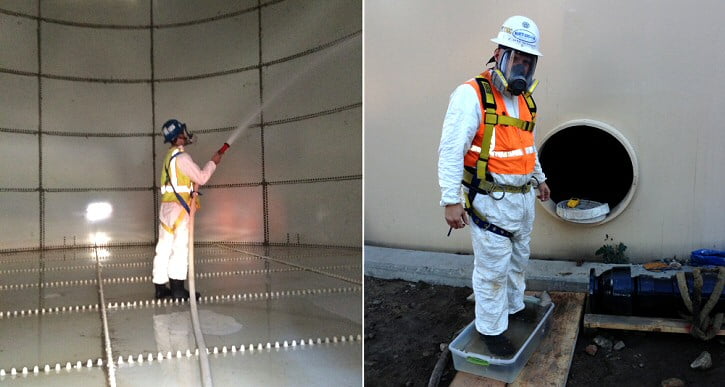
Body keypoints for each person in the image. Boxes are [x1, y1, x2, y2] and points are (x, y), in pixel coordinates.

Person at [437, 15, 551, 357]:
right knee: (492, 273)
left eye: (527, 61)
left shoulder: (525, 101)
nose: (522, 67)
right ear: (499, 54)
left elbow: (526, 145)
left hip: (522, 200)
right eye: (516, 58)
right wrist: (449, 199)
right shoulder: (470, 95)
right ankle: (491, 332)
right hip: (491, 202)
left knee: (518, 263)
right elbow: (450, 149)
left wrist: (540, 178)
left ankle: (513, 310)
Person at [152, 119, 223, 300]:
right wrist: (213, 162)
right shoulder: (182, 158)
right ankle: (177, 289)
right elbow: (201, 177)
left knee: (163, 248)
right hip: (179, 209)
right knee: (179, 248)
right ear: (178, 136)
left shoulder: (169, 156)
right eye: (183, 130)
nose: (186, 132)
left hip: (166, 208)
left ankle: (160, 288)